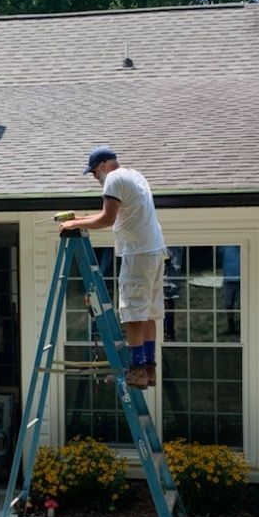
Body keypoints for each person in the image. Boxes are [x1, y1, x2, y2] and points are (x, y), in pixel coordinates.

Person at [60, 146, 165, 389]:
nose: (96, 178)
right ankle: (148, 369)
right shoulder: (134, 175)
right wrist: (78, 221)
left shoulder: (113, 180)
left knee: (132, 314)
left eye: (95, 172)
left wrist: (74, 224)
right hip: (154, 251)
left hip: (137, 253)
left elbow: (107, 219)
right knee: (148, 313)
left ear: (104, 165)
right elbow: (112, 215)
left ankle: (136, 371)